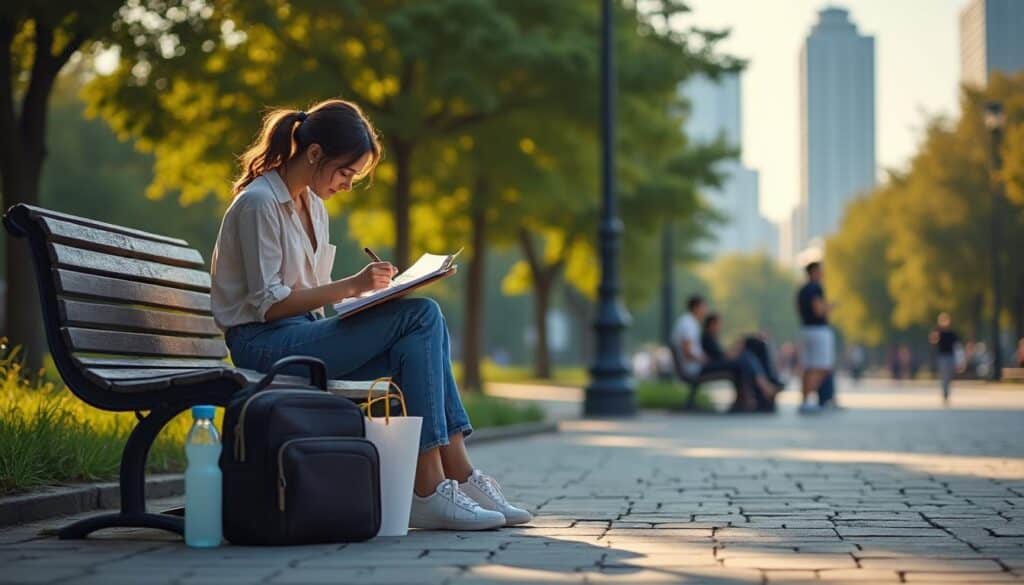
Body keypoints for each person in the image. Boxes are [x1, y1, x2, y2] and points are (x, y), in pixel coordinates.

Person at [210, 100, 530, 531]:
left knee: (417, 335)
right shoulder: (259, 203)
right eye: (345, 173)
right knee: (422, 315)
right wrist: (353, 287)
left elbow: (308, 298)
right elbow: (268, 304)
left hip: (301, 336)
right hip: (262, 345)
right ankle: (433, 485)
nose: (347, 185)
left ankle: (455, 478)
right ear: (315, 153)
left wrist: (368, 301)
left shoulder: (313, 207)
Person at [671, 295, 756, 412]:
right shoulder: (688, 324)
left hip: (696, 366)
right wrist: (704, 359)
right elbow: (688, 352)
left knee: (738, 362)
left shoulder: (689, 322)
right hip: (695, 367)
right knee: (739, 363)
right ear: (696, 307)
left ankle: (742, 400)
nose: (705, 310)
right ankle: (743, 401)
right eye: (704, 307)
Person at [700, 314, 779, 411]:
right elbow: (723, 356)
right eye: (718, 324)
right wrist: (738, 345)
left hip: (718, 364)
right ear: (712, 324)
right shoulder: (707, 338)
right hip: (713, 366)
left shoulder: (711, 337)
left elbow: (723, 355)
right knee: (746, 357)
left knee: (748, 355)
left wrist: (738, 346)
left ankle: (760, 387)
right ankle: (763, 386)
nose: (720, 327)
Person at [795, 262, 836, 413]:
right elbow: (818, 310)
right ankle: (809, 398)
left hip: (805, 329)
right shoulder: (815, 288)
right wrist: (830, 307)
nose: (822, 273)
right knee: (822, 367)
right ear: (814, 272)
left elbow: (798, 309)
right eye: (820, 271)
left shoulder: (801, 289)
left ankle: (805, 401)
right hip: (819, 331)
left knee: (808, 367)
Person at [929, 312, 961, 404]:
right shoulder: (938, 332)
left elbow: (957, 346)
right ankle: (945, 393)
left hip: (951, 357)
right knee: (943, 376)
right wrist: (934, 336)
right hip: (942, 357)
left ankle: (947, 391)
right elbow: (933, 342)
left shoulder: (952, 333)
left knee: (949, 376)